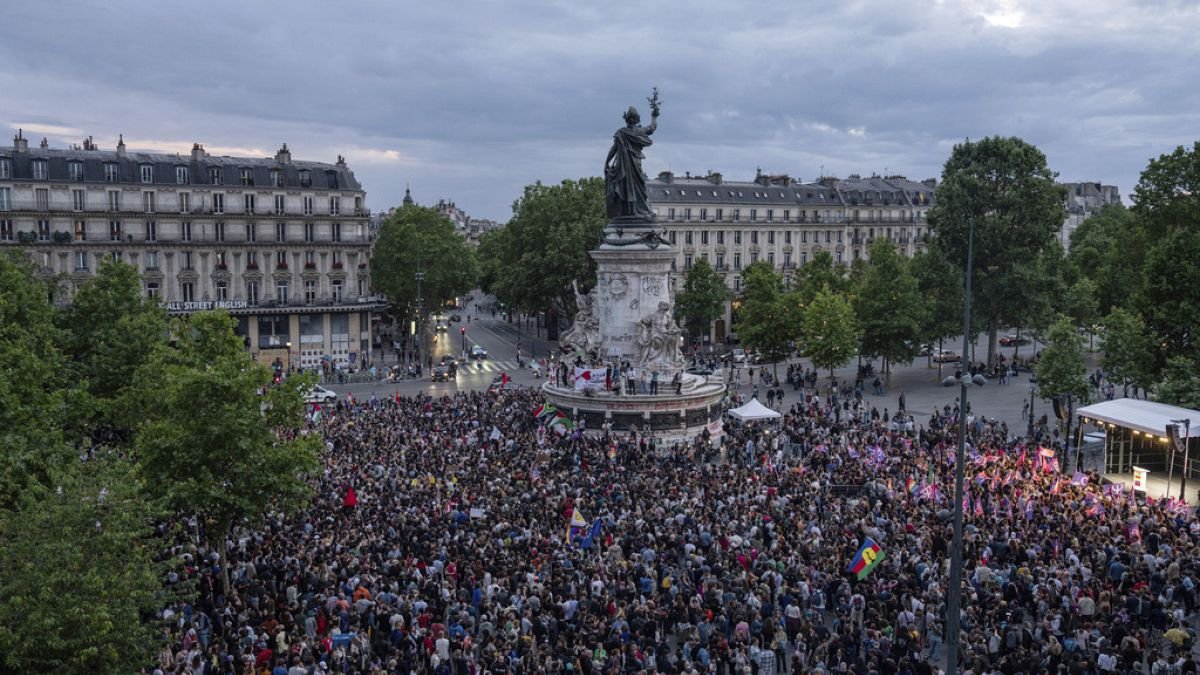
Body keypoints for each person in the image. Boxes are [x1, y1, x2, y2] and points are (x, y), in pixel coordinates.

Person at [604, 90, 660, 222]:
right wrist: (654, 116)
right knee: (638, 188)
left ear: (627, 119)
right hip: (635, 165)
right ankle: (637, 211)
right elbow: (652, 128)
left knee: (626, 188)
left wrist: (606, 162)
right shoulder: (638, 131)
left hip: (623, 168)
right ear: (636, 119)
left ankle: (630, 211)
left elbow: (613, 149)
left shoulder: (621, 132)